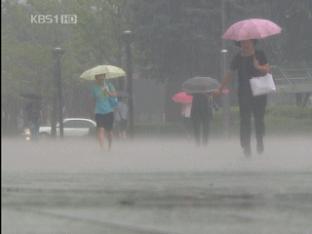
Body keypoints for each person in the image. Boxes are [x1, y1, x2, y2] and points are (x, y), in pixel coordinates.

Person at [214, 39, 270, 156]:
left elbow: (267, 70)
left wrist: (258, 66)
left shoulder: (260, 54)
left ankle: (259, 140)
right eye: (242, 42)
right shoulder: (238, 57)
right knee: (245, 120)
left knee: (259, 119)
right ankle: (246, 145)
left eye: (247, 42)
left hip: (259, 92)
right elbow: (229, 74)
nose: (245, 44)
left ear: (253, 42)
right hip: (244, 93)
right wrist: (220, 89)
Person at [91, 74, 117, 150]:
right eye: (99, 79)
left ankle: (109, 147)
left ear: (104, 78)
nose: (101, 80)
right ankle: (102, 148)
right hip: (98, 112)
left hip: (109, 111)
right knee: (100, 129)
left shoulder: (109, 85)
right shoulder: (94, 87)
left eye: (102, 78)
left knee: (109, 132)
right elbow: (93, 98)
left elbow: (115, 95)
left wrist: (107, 92)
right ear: (96, 79)